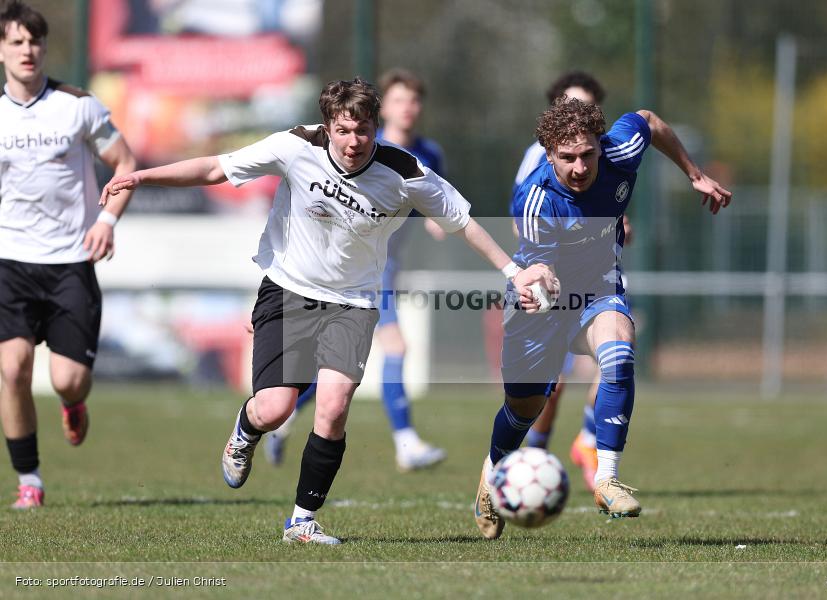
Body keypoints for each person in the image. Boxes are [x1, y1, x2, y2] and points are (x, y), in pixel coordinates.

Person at [101, 77, 555, 545]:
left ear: (375, 126)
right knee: (274, 409)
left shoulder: (405, 170)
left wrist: (513, 272)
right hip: (287, 291)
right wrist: (142, 177)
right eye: (343, 130)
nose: (354, 141)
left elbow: (462, 223)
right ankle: (246, 429)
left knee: (333, 407)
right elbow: (217, 168)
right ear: (328, 126)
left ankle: (302, 521)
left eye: (363, 130)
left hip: (354, 301)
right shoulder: (295, 146)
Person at [475, 97, 731, 539]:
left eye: (587, 155)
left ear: (601, 145)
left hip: (598, 287)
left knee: (619, 354)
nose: (580, 167)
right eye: (567, 157)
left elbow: (649, 120)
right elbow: (538, 272)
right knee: (524, 409)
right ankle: (493, 472)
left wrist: (694, 174)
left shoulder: (621, 149)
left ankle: (607, 479)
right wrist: (542, 286)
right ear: (548, 154)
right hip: (544, 300)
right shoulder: (535, 200)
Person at [264, 68, 449, 472]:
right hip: (358, 270)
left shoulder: (428, 155)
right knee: (394, 348)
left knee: (337, 373)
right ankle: (406, 443)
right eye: (399, 100)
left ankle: (286, 416)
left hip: (390, 265)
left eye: (414, 100)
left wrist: (438, 222)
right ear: (385, 110)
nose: (408, 108)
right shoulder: (365, 149)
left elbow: (434, 202)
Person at [0, 1, 137, 509]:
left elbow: (125, 162)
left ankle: (73, 404)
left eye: (34, 41)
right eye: (16, 41)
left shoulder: (78, 106)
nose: (27, 50)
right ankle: (30, 480)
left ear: (44, 47)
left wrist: (106, 221)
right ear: (1, 50)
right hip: (10, 262)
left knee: (69, 380)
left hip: (69, 263)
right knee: (12, 369)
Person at [511, 71, 632, 491]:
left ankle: (589, 440)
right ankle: (534, 456)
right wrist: (540, 272)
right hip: (549, 281)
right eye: (567, 104)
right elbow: (523, 219)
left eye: (584, 105)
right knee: (549, 386)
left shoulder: (607, 151)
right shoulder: (536, 160)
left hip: (597, 281)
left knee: (616, 353)